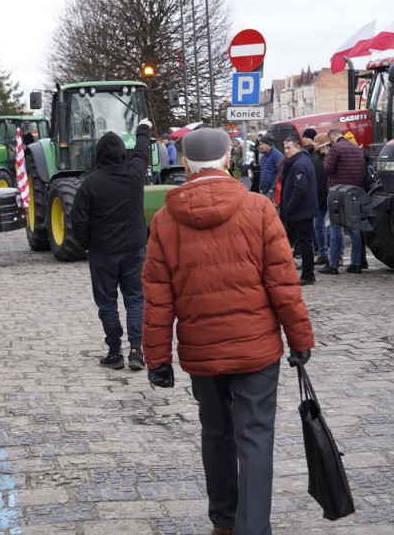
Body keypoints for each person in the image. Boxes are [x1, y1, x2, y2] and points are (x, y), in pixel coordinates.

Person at [142, 128, 315, 535]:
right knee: (255, 437)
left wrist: (158, 358)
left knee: (216, 433)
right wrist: (300, 339)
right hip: (256, 349)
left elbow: (157, 297)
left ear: (185, 164)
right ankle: (253, 528)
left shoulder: (166, 220)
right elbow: (283, 283)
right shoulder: (257, 208)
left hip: (202, 351)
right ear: (227, 160)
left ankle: (224, 522)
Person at [70, 118, 154, 371]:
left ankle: (114, 351)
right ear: (122, 154)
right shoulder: (135, 173)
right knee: (135, 300)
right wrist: (143, 128)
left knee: (107, 302)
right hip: (134, 249)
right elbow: (142, 150)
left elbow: (78, 221)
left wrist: (86, 245)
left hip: (102, 252)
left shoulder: (89, 184)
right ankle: (137, 351)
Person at [319, 128, 365, 275]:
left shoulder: (335, 148)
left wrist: (326, 155)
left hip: (337, 192)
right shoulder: (356, 148)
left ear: (331, 137)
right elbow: (362, 171)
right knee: (354, 228)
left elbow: (328, 170)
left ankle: (333, 265)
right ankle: (356, 264)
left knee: (336, 228)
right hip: (354, 191)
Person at [280, 135, 319, 285]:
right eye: (285, 148)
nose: (286, 151)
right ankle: (286, 273)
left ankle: (308, 275)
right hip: (297, 211)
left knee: (304, 244)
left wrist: (289, 207)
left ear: (298, 147)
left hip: (300, 211)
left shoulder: (300, 163)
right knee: (288, 243)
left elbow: (300, 189)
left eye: (289, 148)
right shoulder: (297, 161)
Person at [310, 133, 331, 265]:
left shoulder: (329, 158)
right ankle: (323, 253)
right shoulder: (315, 158)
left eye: (316, 142)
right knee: (317, 225)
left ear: (322, 143)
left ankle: (336, 256)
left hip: (330, 196)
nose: (313, 144)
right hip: (318, 198)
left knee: (337, 227)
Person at [257, 133, 283, 201]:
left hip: (272, 192)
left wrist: (273, 189)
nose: (260, 146)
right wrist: (260, 188)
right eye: (260, 144)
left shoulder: (277, 155)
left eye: (262, 144)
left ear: (268, 145)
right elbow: (262, 172)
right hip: (264, 191)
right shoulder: (263, 156)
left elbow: (280, 172)